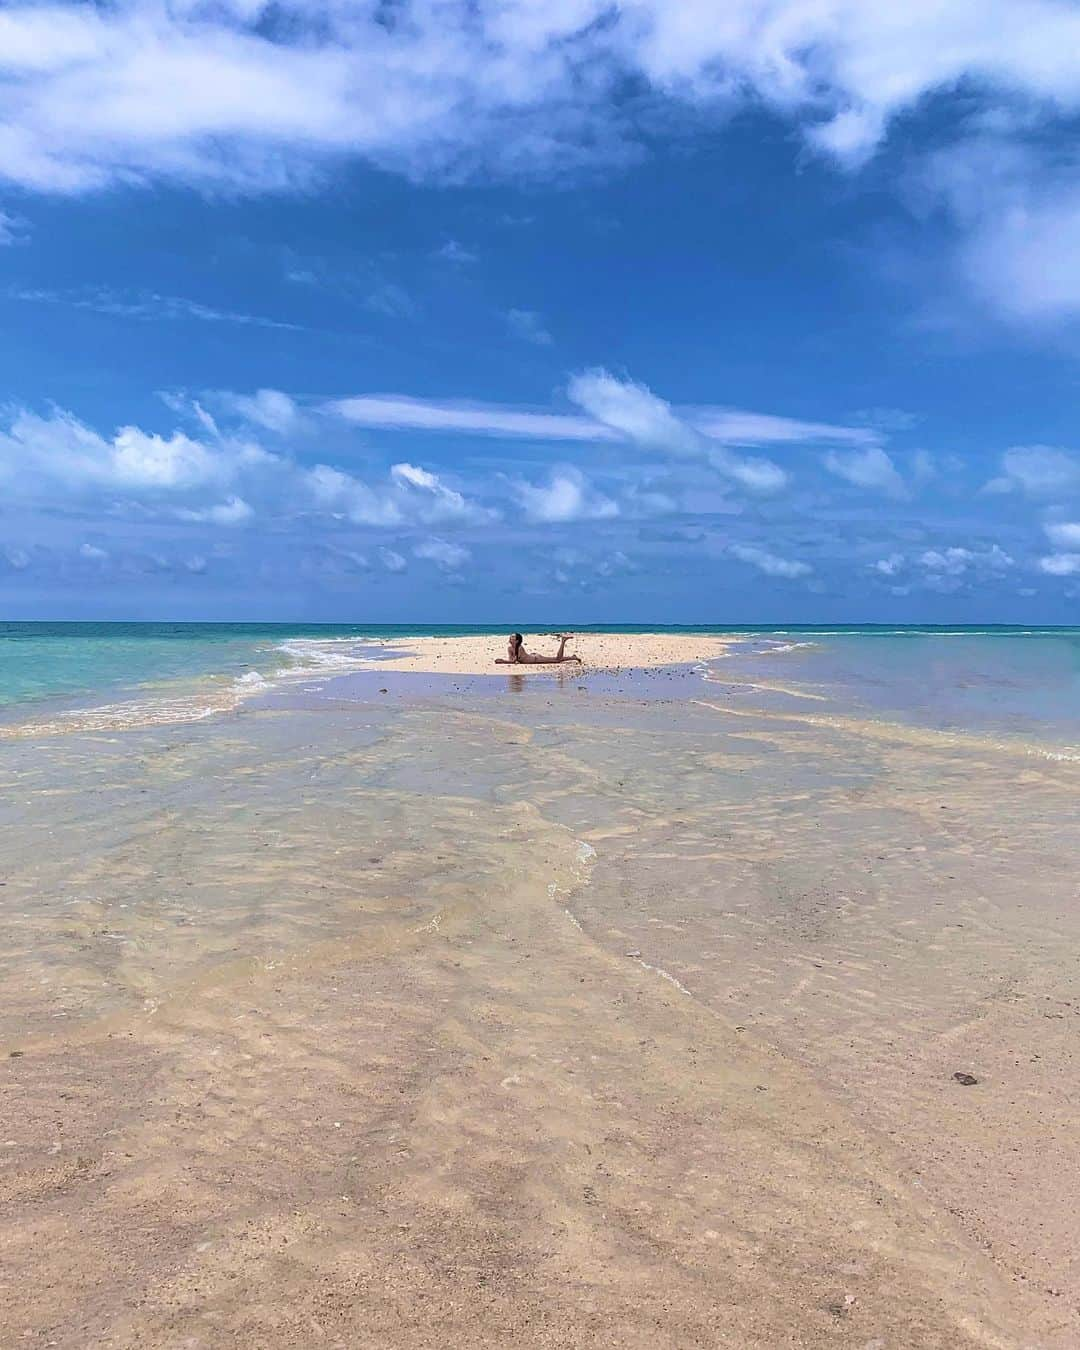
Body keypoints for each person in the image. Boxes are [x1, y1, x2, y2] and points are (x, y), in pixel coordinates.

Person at [496, 632, 582, 665]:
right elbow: (512, 660)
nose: (510, 638)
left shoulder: (520, 648)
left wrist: (502, 661)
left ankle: (563, 641)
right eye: (510, 637)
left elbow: (513, 661)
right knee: (556, 659)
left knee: (557, 660)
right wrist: (504, 661)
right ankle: (573, 657)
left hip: (536, 659)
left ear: (517, 640)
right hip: (532, 657)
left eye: (512, 637)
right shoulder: (509, 648)